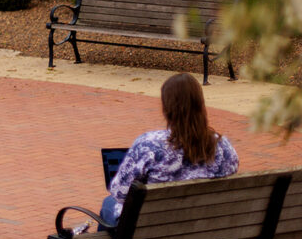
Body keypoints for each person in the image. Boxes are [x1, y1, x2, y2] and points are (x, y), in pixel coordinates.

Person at [102, 72, 239, 225]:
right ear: (201, 105)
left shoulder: (148, 146)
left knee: (108, 204)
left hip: (152, 229)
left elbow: (119, 193)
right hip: (205, 227)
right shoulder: (224, 147)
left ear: (166, 109)